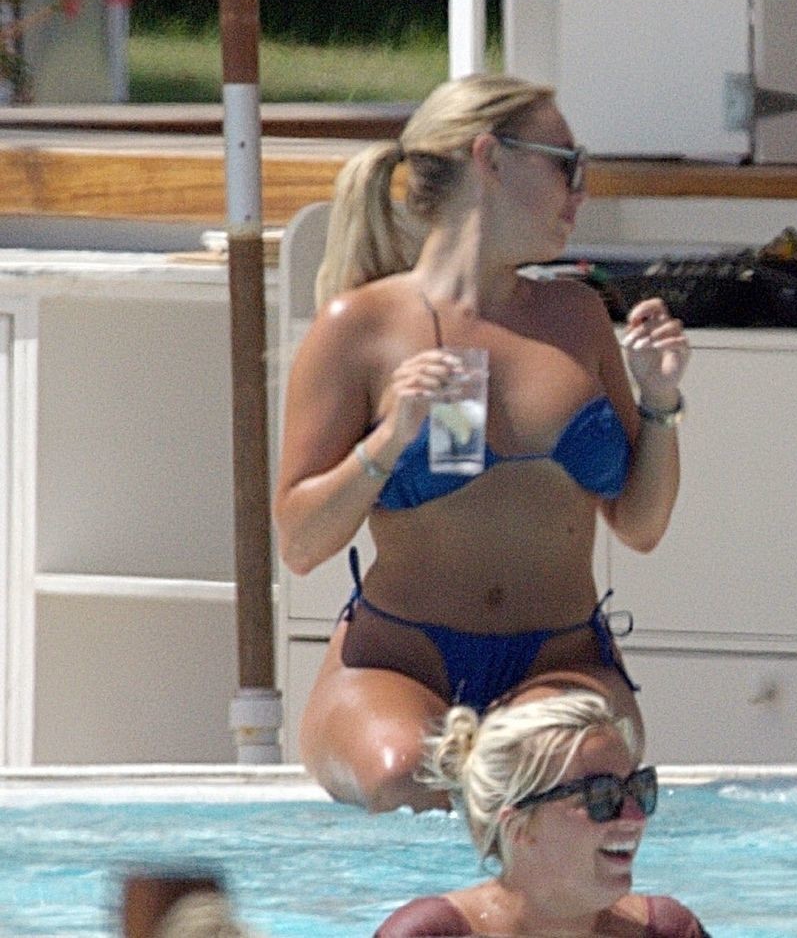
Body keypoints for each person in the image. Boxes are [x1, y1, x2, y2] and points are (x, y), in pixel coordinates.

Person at [275, 74, 689, 812]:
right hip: (401, 662)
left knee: (550, 781)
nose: (582, 190)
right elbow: (301, 544)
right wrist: (389, 440)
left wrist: (659, 401)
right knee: (407, 777)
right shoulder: (359, 327)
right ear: (490, 158)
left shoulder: (577, 316)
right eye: (567, 164)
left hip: (561, 660)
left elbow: (640, 525)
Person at [376, 685, 708, 937]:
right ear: (520, 828)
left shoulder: (666, 931)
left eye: (638, 789)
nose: (636, 816)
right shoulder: (431, 934)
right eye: (601, 797)